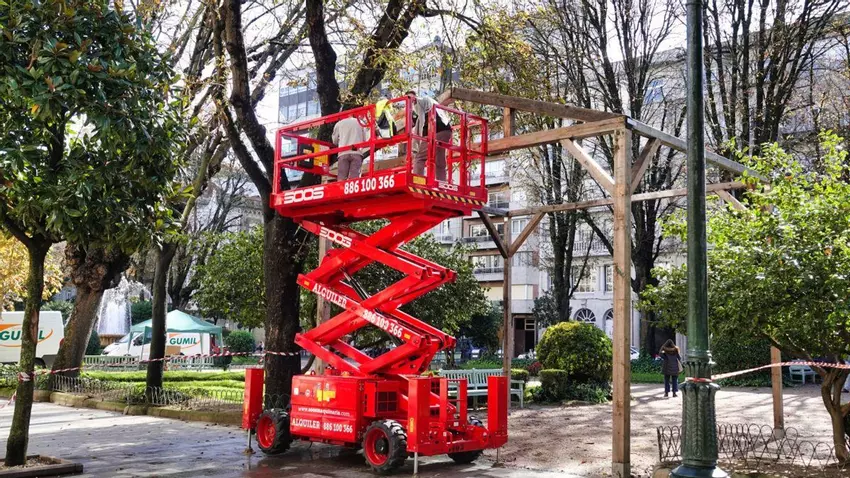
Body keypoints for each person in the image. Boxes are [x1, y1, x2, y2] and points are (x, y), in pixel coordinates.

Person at [406, 90, 452, 181]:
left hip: (435, 132)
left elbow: (422, 121)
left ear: (415, 97)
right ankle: (441, 181)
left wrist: (419, 139)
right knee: (439, 158)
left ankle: (418, 180)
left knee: (419, 157)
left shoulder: (418, 102)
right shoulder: (429, 103)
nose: (410, 100)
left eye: (410, 98)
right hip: (446, 130)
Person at [332, 115, 367, 180]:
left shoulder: (339, 124)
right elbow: (365, 139)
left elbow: (335, 141)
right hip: (357, 152)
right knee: (354, 179)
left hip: (343, 153)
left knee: (342, 178)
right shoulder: (361, 123)